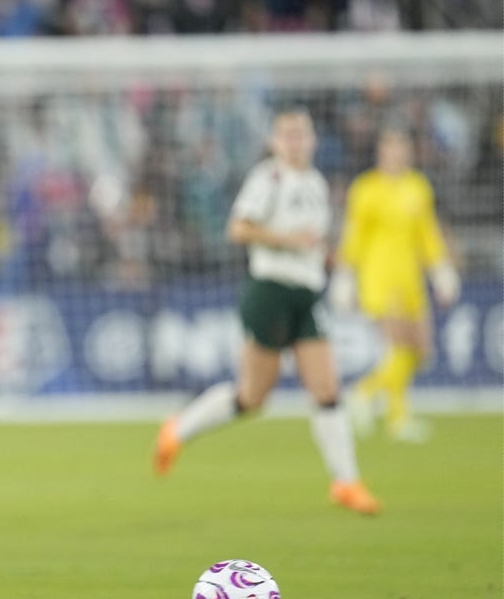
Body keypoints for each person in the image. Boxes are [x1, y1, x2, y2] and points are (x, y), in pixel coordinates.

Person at [153, 108, 380, 516]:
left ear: (312, 139)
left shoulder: (315, 183)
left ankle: (346, 482)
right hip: (270, 289)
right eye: (287, 135)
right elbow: (238, 228)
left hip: (307, 293)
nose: (295, 142)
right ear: (275, 142)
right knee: (252, 397)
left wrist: (337, 269)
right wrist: (287, 241)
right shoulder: (268, 177)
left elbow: (313, 241)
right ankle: (177, 430)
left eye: (301, 134)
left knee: (327, 389)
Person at [330, 129, 460, 442]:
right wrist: (345, 275)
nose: (397, 155)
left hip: (410, 277)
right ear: (380, 153)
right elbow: (355, 235)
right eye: (391, 149)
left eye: (402, 148)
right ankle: (389, 412)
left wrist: (441, 269)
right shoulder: (366, 189)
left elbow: (426, 233)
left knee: (419, 350)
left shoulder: (417, 186)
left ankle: (369, 396)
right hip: (379, 277)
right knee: (398, 345)